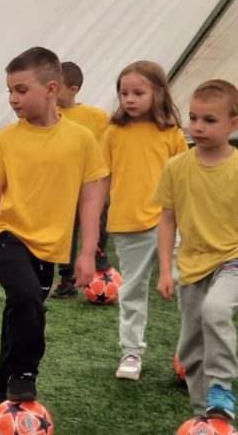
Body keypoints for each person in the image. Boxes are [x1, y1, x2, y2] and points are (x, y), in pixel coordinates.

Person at [0, 47, 107, 404]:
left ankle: (4, 393)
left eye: (21, 90)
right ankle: (25, 372)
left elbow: (90, 199)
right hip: (7, 236)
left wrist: (87, 252)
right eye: (9, 91)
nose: (13, 99)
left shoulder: (81, 139)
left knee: (22, 311)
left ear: (50, 89)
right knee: (27, 296)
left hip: (50, 248)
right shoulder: (4, 140)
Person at [156, 79, 238, 419]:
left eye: (209, 120)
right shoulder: (176, 167)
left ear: (233, 124)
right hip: (191, 265)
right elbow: (167, 220)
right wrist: (165, 270)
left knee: (215, 310)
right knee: (190, 351)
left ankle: (221, 387)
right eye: (193, 118)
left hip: (232, 260)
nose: (198, 126)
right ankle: (207, 417)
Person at [101, 61, 188, 380]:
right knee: (133, 290)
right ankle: (131, 351)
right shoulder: (113, 132)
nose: (129, 99)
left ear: (159, 92)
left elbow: (185, 182)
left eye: (138, 93)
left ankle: (190, 352)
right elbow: (102, 178)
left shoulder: (172, 134)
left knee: (187, 286)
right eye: (124, 93)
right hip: (128, 227)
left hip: (171, 224)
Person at [49, 61, 112, 298]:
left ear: (73, 89)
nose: (51, 92)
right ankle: (66, 279)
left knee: (97, 224)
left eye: (57, 87)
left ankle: (98, 259)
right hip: (62, 188)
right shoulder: (49, 115)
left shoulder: (97, 117)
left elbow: (117, 137)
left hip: (92, 187)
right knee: (65, 234)